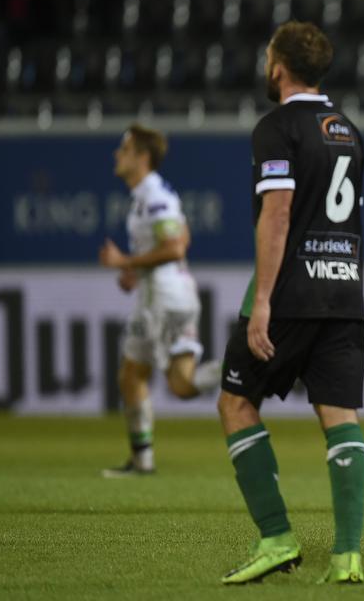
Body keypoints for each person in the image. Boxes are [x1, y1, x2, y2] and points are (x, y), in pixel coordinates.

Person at [217, 21, 364, 585]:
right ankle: (348, 555)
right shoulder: (349, 130)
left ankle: (278, 538)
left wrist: (262, 302)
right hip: (345, 289)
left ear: (278, 66)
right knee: (340, 416)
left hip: (290, 293)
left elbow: (277, 213)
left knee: (235, 402)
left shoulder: (277, 127)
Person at [99, 124, 222, 477]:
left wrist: (125, 262)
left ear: (142, 157)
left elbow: (176, 246)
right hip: (165, 295)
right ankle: (142, 461)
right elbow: (182, 234)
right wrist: (135, 272)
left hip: (164, 301)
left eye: (123, 149)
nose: (116, 155)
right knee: (154, 378)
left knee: (156, 379)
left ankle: (142, 461)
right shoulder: (150, 195)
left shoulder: (154, 196)